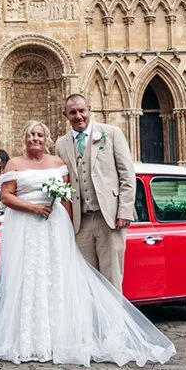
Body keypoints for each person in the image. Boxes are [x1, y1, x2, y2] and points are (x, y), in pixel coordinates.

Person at [0, 120, 175, 367]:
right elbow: (7, 195)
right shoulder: (14, 164)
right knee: (29, 277)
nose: (35, 138)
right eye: (31, 134)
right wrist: (34, 208)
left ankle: (92, 337)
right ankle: (29, 339)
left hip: (56, 226)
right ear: (24, 138)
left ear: (46, 138)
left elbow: (66, 198)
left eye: (40, 134)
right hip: (26, 227)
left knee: (58, 278)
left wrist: (68, 230)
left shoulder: (58, 162)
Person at [54, 94, 135, 291]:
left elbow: (127, 174)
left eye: (82, 110)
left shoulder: (112, 133)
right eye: (72, 112)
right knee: (86, 282)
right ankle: (91, 322)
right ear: (66, 115)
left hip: (109, 219)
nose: (78, 116)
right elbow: (61, 182)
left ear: (89, 109)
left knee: (112, 279)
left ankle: (113, 322)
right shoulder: (61, 144)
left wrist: (124, 211)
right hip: (79, 222)